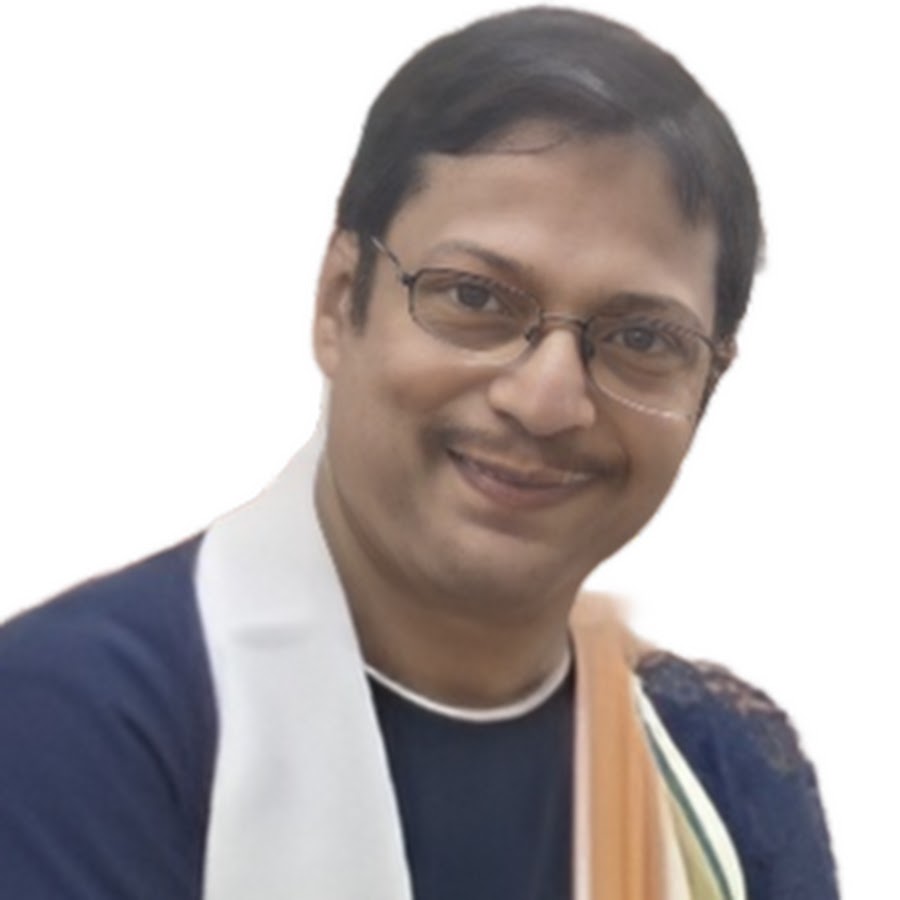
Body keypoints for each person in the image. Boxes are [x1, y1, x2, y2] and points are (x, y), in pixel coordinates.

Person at [0, 7, 838, 899]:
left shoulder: (726, 773)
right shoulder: (69, 720)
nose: (547, 400)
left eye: (641, 337)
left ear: (707, 385)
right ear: (338, 301)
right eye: (474, 297)